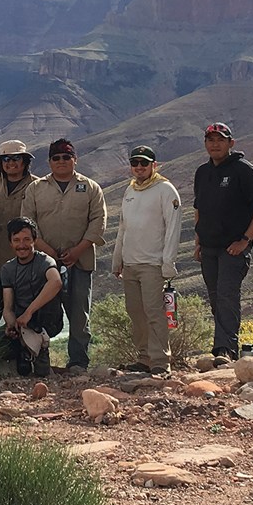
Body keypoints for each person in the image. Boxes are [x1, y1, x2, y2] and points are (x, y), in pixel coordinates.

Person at [21, 138, 106, 374]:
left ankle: (78, 361)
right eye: (56, 158)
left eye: (66, 157)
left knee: (79, 312)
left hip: (80, 261)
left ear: (74, 159)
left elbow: (98, 221)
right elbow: (28, 223)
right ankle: (39, 360)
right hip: (43, 264)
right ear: (49, 162)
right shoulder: (36, 189)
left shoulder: (90, 188)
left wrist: (78, 249)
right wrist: (48, 251)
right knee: (43, 311)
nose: (61, 162)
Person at [193, 122, 253, 363]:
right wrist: (198, 241)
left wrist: (246, 240)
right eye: (211, 140)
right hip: (208, 247)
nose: (215, 144)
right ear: (205, 143)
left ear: (231, 143)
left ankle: (224, 351)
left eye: (220, 140)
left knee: (227, 294)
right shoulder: (202, 172)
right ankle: (227, 348)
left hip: (233, 248)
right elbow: (198, 208)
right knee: (216, 298)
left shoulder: (243, 170)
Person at [111, 146, 183, 376]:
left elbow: (173, 228)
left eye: (144, 163)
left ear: (155, 165)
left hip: (152, 263)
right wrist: (117, 258)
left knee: (154, 312)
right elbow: (124, 227)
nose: (139, 168)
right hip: (130, 263)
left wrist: (168, 262)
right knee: (135, 312)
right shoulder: (130, 190)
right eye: (135, 163)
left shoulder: (165, 189)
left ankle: (161, 361)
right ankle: (143, 358)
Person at [0, 218, 63, 378]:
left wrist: (29, 312)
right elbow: (7, 308)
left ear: (34, 240)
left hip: (46, 320)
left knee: (42, 374)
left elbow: (56, 282)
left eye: (27, 239)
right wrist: (11, 324)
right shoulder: (7, 268)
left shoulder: (45, 261)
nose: (22, 245)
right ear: (11, 243)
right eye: (17, 240)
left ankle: (41, 347)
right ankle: (23, 349)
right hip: (22, 322)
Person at [0, 139, 37, 325]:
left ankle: (17, 354)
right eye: (6, 158)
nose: (11, 162)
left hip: (20, 265)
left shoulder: (36, 186)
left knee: (18, 317)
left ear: (24, 161)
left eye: (16, 158)